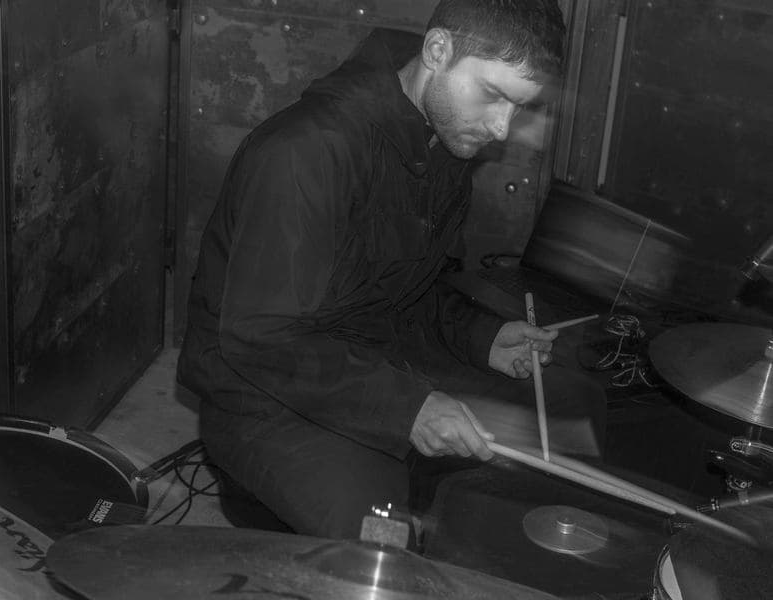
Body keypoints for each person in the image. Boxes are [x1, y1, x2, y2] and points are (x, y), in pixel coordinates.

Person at [178, 0, 605, 539]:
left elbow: (411, 289)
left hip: (374, 360)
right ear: (438, 50)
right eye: (493, 95)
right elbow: (260, 337)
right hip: (263, 397)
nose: (502, 128)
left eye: (520, 107)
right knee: (383, 538)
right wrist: (410, 409)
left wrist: (482, 338)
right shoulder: (305, 151)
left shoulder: (444, 143)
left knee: (571, 405)